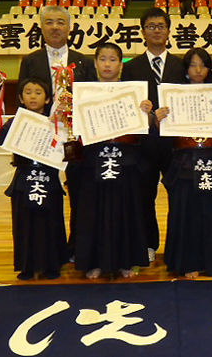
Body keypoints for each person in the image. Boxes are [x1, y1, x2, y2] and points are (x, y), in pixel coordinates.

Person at [17, 5, 98, 261]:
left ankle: (76, 248)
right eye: (49, 22)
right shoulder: (30, 60)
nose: (55, 27)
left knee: (79, 192)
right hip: (41, 138)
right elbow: (23, 101)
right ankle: (48, 251)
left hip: (76, 137)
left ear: (69, 28)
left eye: (60, 22)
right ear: (41, 28)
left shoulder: (83, 60)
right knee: (45, 192)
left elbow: (91, 99)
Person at [74, 43, 152, 279]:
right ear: (95, 63)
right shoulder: (83, 93)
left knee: (125, 210)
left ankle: (126, 261)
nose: (108, 64)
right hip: (93, 159)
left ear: (121, 64)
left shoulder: (133, 93)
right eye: (103, 59)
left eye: (113, 59)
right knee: (93, 211)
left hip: (125, 158)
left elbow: (144, 130)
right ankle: (93, 262)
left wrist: (146, 112)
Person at [156, 48, 212, 278]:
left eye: (203, 64)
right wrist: (160, 119)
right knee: (187, 213)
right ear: (186, 69)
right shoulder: (173, 96)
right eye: (193, 65)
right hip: (185, 161)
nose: (198, 70)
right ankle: (187, 263)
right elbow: (164, 134)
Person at [0, 78, 68, 280]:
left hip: (48, 177)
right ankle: (27, 265)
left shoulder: (55, 122)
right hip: (24, 176)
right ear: (21, 98)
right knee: (24, 223)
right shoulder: (14, 123)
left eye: (38, 92)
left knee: (51, 221)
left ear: (48, 98)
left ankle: (52, 265)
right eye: (28, 92)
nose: (33, 96)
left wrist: (63, 120)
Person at [120, 7, 185, 262]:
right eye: (151, 26)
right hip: (144, 144)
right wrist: (147, 115)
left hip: (175, 143)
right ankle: (148, 243)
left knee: (179, 195)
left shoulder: (182, 65)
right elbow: (126, 105)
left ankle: (178, 245)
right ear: (142, 32)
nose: (156, 30)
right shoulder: (132, 67)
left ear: (169, 31)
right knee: (144, 196)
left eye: (161, 26)